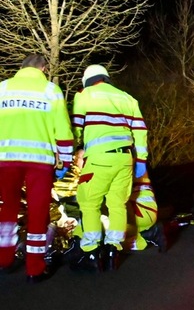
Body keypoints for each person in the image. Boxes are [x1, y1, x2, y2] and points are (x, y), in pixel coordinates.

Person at [0, 54, 74, 283]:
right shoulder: (51, 91)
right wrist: (66, 160)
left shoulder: (3, 88)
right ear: (43, 68)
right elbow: (62, 129)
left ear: (21, 68)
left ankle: (3, 260)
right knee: (38, 213)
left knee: (8, 210)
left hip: (6, 159)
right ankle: (34, 268)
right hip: (39, 162)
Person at [70, 65, 149, 272]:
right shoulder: (127, 98)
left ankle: (92, 251)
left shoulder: (84, 95)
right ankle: (114, 249)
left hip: (98, 159)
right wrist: (140, 160)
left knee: (89, 204)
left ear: (87, 80)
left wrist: (76, 148)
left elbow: (77, 127)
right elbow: (140, 131)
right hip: (125, 159)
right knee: (117, 205)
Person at [123, 170, 167, 252]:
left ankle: (149, 233)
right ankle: (147, 235)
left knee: (100, 217)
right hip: (144, 212)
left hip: (141, 212)